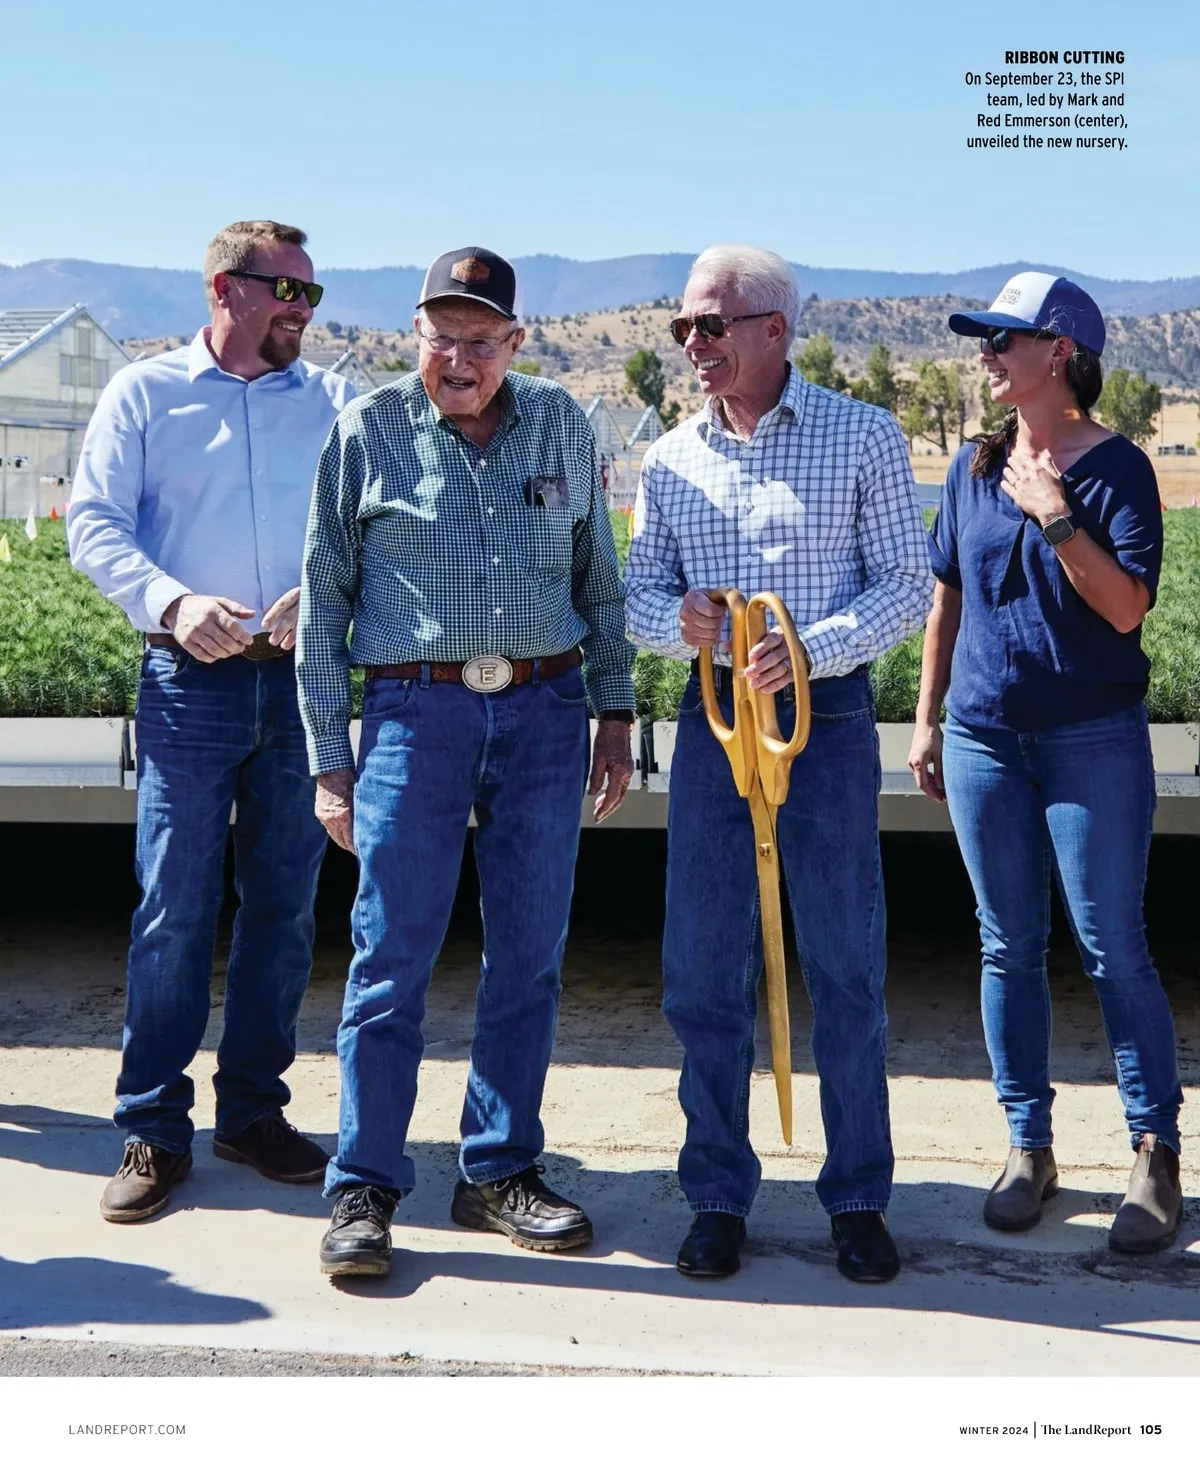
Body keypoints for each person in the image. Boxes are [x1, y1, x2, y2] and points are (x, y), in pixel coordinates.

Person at [298, 246, 637, 1278]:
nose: (459, 358)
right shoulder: (366, 431)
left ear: (516, 343)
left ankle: (498, 1167)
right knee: (389, 956)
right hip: (414, 714)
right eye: (442, 336)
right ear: (415, 334)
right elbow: (324, 601)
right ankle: (364, 1184)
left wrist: (614, 713)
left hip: (545, 710)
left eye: (481, 340)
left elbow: (599, 581)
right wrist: (330, 760)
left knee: (528, 954)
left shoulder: (561, 423)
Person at [625, 244, 931, 1283]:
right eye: (682, 326)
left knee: (843, 960)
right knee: (704, 964)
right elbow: (638, 595)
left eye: (711, 324)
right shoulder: (670, 458)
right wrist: (678, 620)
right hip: (715, 719)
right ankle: (716, 1195)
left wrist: (810, 647)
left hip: (825, 717)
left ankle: (858, 1196)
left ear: (774, 329)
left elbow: (905, 585)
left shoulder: (864, 434)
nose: (692, 343)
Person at [68, 220, 355, 1222]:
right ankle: (153, 1124)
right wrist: (173, 601)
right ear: (227, 289)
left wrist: (327, 592)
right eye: (289, 291)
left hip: (301, 685)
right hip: (188, 682)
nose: (304, 311)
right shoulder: (144, 394)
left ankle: (253, 1113)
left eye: (312, 295)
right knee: (174, 908)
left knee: (284, 907)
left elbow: (371, 521)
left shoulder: (334, 403)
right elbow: (93, 524)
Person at [908, 272, 1184, 1252]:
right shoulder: (971, 466)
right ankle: (1029, 1147)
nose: (985, 355)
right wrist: (928, 719)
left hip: (1091, 740)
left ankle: (1155, 1153)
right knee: (1006, 946)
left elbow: (1126, 609)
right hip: (983, 740)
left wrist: (1056, 515)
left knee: (1113, 947)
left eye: (1004, 339)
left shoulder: (1119, 471)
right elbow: (946, 597)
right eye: (983, 340)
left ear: (1060, 352)